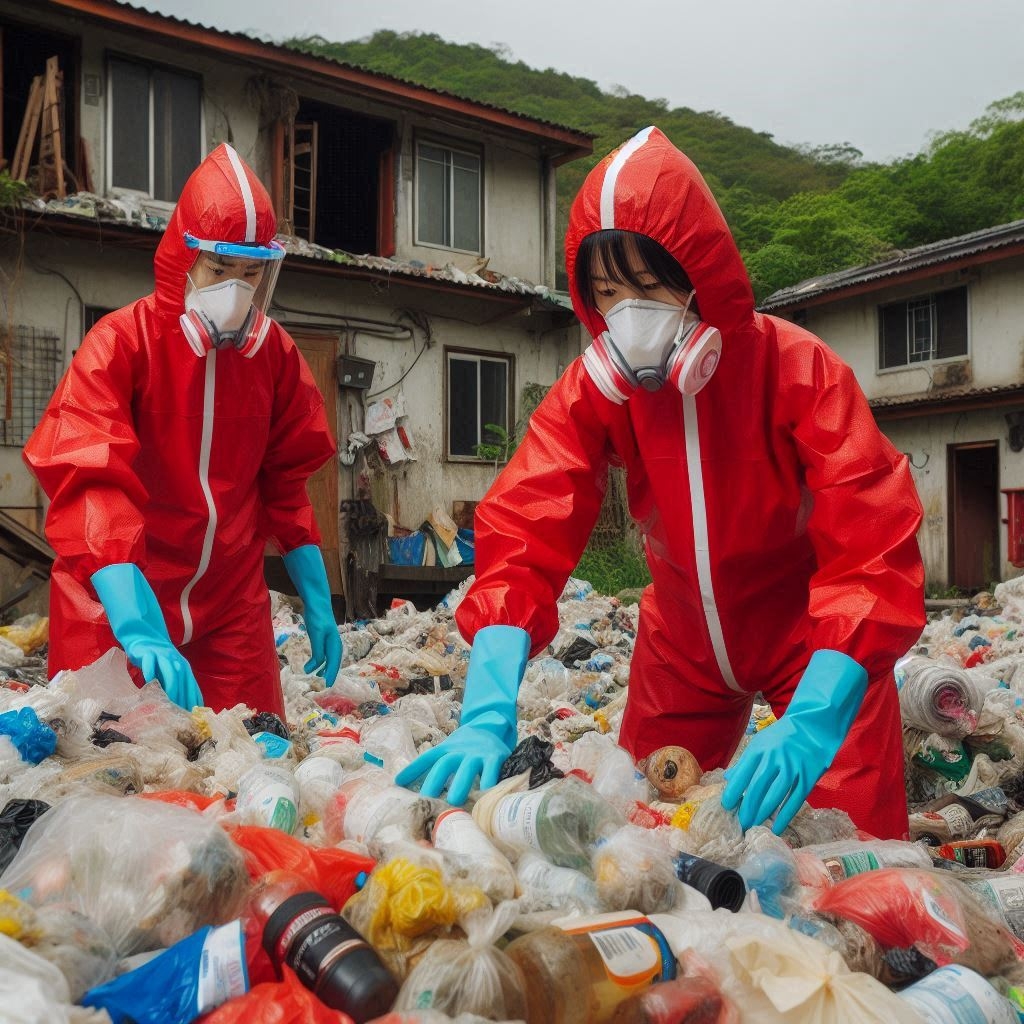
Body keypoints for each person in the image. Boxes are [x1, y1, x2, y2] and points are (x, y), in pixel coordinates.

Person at [397, 126, 925, 840]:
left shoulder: (798, 369)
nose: (629, 315)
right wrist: (487, 711)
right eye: (608, 293)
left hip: (812, 636)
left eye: (649, 287)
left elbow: (872, 544)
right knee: (644, 844)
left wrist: (816, 715)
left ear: (702, 275)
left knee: (853, 857)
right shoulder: (599, 390)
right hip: (681, 647)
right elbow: (525, 526)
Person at [24, 143, 342, 716]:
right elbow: (89, 480)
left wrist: (318, 599)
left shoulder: (275, 357)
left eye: (251, 272)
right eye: (220, 269)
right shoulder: (121, 344)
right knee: (107, 771)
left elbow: (286, 485)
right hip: (119, 595)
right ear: (183, 258)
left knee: (249, 764)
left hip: (231, 608)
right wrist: (136, 625)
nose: (236, 289)